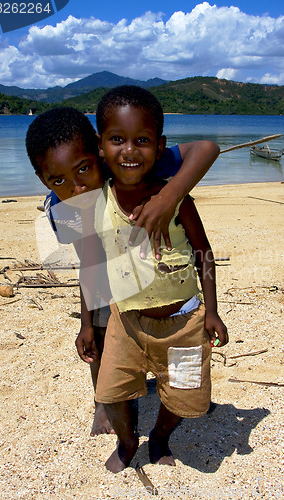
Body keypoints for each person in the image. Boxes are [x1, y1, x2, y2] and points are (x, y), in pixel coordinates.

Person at [25, 105, 221, 437]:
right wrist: (86, 322)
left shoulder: (124, 163)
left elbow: (207, 148)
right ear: (44, 180)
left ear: (99, 153)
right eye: (58, 180)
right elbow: (90, 268)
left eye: (84, 169)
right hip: (93, 245)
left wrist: (168, 197)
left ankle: (171, 385)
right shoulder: (66, 208)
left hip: (128, 235)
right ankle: (104, 403)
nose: (77, 187)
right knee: (103, 314)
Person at [88, 85, 228, 473]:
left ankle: (162, 437)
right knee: (111, 393)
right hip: (126, 322)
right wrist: (87, 324)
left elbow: (204, 255)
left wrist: (213, 311)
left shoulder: (176, 198)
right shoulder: (98, 202)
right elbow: (92, 268)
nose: (129, 151)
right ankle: (127, 438)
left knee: (182, 396)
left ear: (160, 145)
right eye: (117, 139)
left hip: (184, 322)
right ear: (100, 145)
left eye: (142, 141)